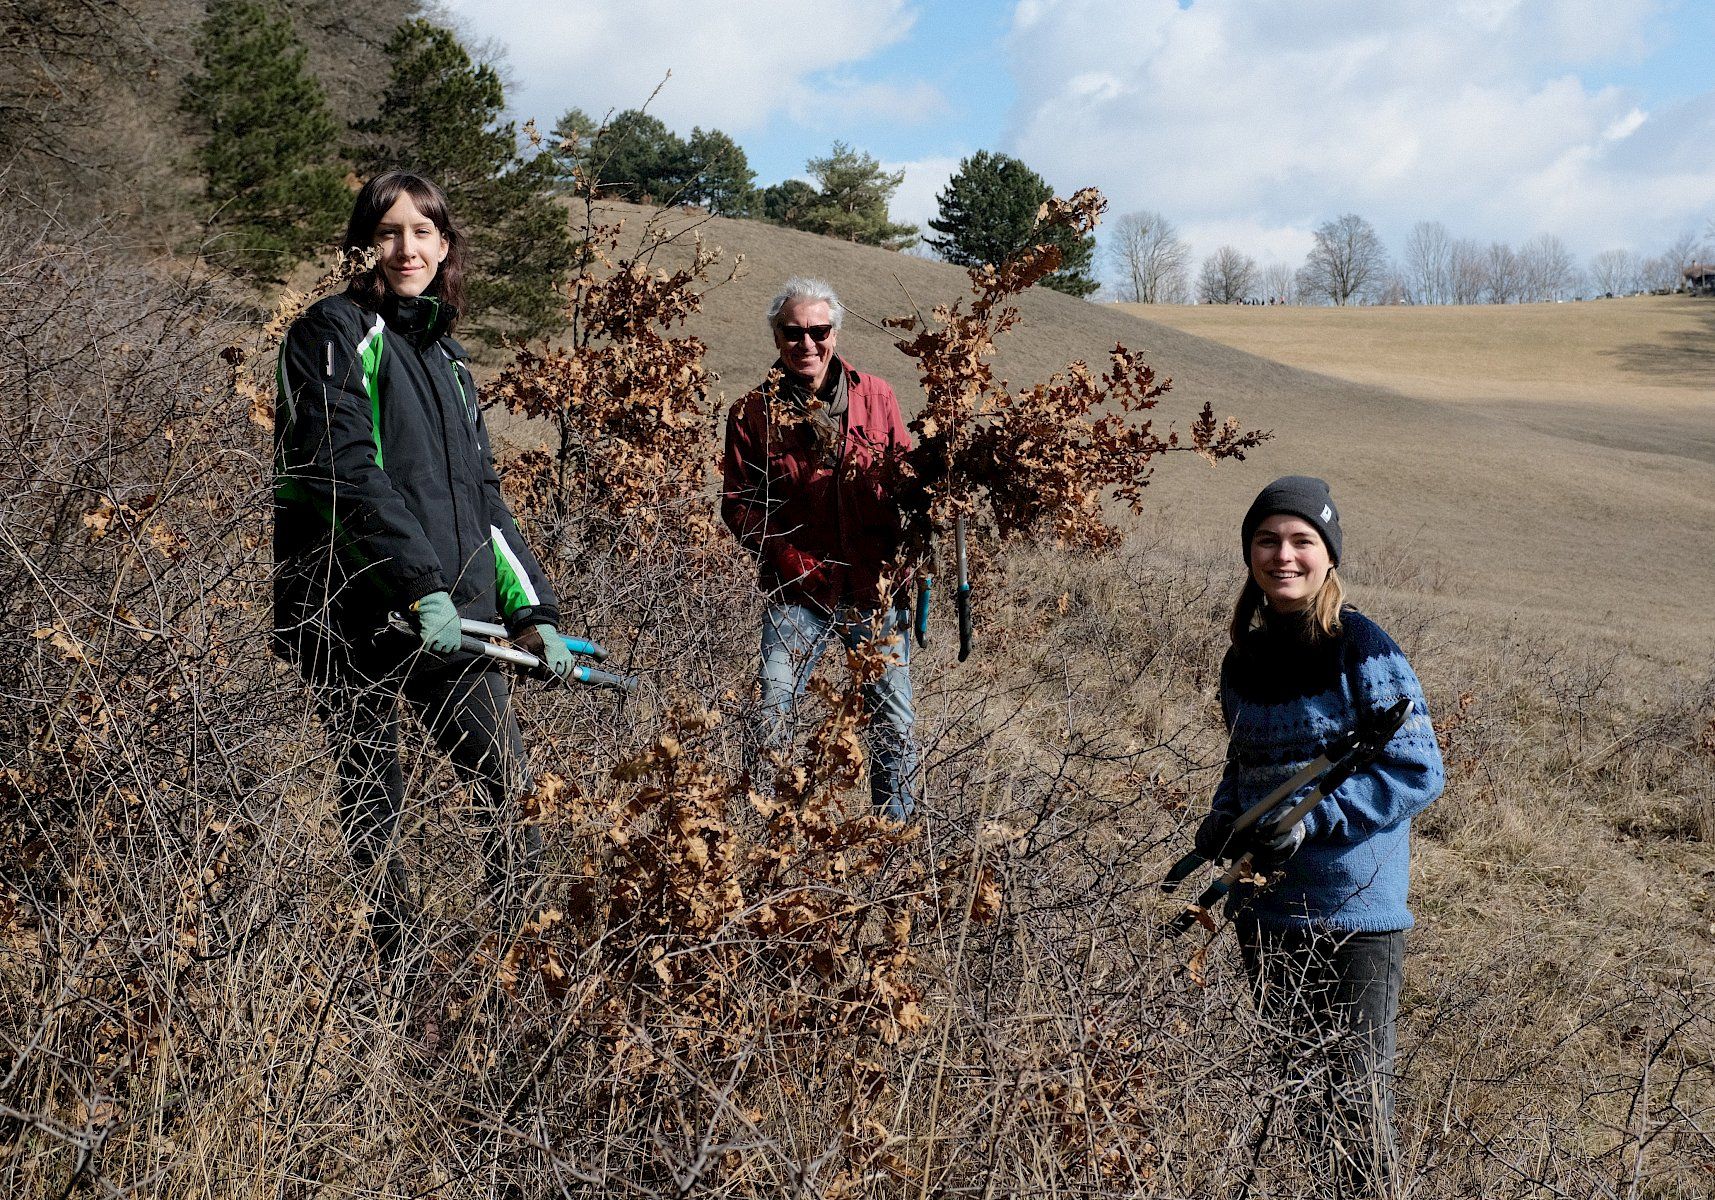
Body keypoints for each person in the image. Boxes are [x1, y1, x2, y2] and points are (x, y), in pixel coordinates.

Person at [272, 171, 572, 982]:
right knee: (377, 806)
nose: (407, 248)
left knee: (510, 796)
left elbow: (482, 501)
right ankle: (392, 976)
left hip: (455, 618)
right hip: (351, 609)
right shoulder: (329, 332)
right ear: (364, 242)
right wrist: (415, 582)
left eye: (423, 233)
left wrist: (532, 611)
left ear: (445, 247)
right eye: (389, 231)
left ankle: (519, 979)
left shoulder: (447, 358)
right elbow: (339, 467)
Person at [1194, 475, 1444, 1195]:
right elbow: (1246, 766)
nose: (1284, 555)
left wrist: (1308, 822)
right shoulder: (1243, 657)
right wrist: (1224, 821)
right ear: (1248, 552)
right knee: (1304, 1097)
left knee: (1357, 1110)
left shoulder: (1358, 645)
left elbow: (1417, 770)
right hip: (1265, 908)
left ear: (1328, 554)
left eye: (1302, 540)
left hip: (1355, 912)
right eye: (1268, 540)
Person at [720, 277, 919, 820]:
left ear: (835, 333)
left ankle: (893, 841)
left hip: (872, 589)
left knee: (894, 721)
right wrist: (786, 559)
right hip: (796, 592)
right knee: (773, 713)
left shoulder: (877, 396)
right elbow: (737, 503)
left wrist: (939, 485)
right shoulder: (750, 413)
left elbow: (906, 481)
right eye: (793, 332)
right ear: (777, 337)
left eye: (818, 331)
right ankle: (769, 830)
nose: (806, 344)